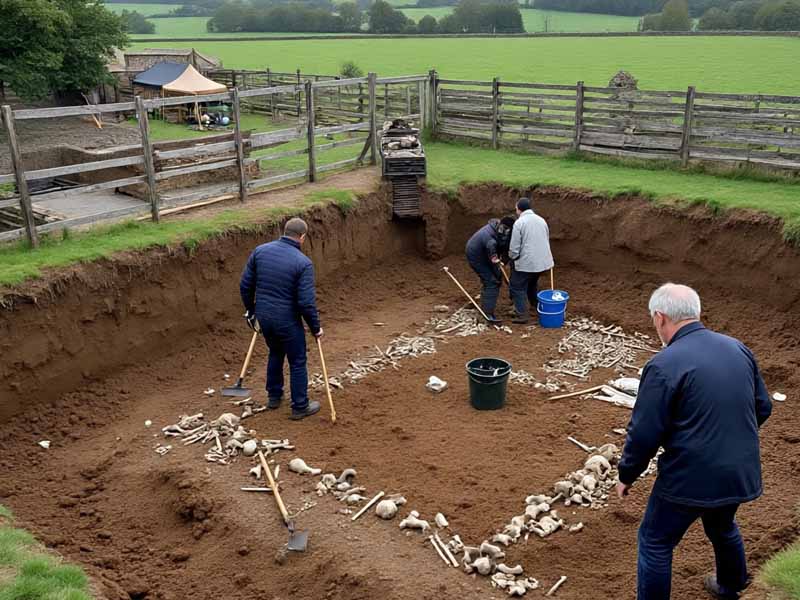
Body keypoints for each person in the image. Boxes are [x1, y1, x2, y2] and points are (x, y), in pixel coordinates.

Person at [616, 283, 772, 600]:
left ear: (660, 318)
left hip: (689, 477)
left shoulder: (664, 365)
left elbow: (645, 432)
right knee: (722, 525)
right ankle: (732, 585)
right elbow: (763, 406)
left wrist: (626, 474)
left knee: (656, 540)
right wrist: (729, 437)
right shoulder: (737, 348)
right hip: (738, 470)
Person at [239, 217, 322, 420]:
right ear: (302, 237)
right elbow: (305, 303)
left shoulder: (260, 251)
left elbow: (245, 285)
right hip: (287, 320)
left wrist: (252, 311)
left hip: (265, 316)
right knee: (297, 360)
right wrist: (315, 328)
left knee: (275, 352)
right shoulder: (303, 263)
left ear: (284, 231)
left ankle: (274, 396)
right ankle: (300, 406)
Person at [508, 198, 554, 324]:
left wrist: (512, 257)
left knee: (517, 286)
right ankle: (537, 306)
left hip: (528, 263)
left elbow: (514, 247)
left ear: (519, 209)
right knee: (532, 283)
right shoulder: (541, 220)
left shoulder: (519, 223)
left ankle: (522, 314)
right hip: (544, 262)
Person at [465, 218, 512, 323]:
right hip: (477, 257)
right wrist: (497, 263)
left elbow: (503, 247)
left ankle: (484, 301)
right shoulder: (490, 239)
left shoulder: (498, 229)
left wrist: (501, 265)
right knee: (492, 282)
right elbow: (493, 255)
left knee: (497, 276)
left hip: (484, 253)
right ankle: (486, 314)